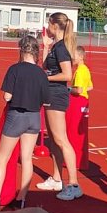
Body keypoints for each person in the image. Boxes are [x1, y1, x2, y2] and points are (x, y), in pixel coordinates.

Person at [0, 35, 48, 211]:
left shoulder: (15, 69)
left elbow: (7, 96)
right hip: (34, 117)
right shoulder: (41, 73)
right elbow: (46, 101)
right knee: (26, 158)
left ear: (21, 51)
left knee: (3, 157)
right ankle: (22, 198)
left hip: (16, 115)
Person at [35, 12, 83, 200]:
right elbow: (46, 66)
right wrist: (45, 47)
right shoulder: (56, 46)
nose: (47, 26)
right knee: (54, 140)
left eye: (49, 23)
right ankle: (56, 178)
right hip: (50, 95)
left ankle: (73, 183)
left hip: (57, 96)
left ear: (55, 25)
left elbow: (67, 75)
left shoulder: (63, 48)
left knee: (61, 139)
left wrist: (45, 78)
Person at [66, 46, 93, 171]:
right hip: (83, 102)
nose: (72, 58)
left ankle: (73, 161)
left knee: (73, 131)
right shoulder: (85, 69)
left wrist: (67, 89)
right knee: (80, 132)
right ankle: (80, 160)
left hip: (77, 102)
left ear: (81, 56)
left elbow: (79, 90)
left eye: (74, 55)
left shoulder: (81, 71)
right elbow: (90, 87)